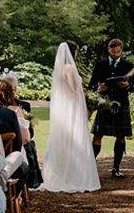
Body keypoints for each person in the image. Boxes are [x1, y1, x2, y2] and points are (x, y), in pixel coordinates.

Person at [41, 42, 101, 193]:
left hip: (63, 108)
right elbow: (75, 91)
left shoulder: (59, 68)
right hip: (72, 107)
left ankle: (62, 174)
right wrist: (88, 99)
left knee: (63, 139)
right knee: (74, 140)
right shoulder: (69, 68)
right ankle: (75, 176)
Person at [89, 38, 134, 178]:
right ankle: (90, 167)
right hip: (104, 104)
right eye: (113, 51)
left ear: (121, 50)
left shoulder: (128, 65)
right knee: (98, 135)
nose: (115, 54)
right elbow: (92, 84)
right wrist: (98, 87)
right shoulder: (100, 65)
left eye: (118, 51)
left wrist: (128, 86)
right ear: (108, 50)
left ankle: (116, 168)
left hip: (121, 103)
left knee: (120, 137)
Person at [1, 74, 43, 189]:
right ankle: (29, 183)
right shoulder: (18, 109)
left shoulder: (23, 105)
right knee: (29, 145)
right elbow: (27, 138)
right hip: (16, 148)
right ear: (15, 89)